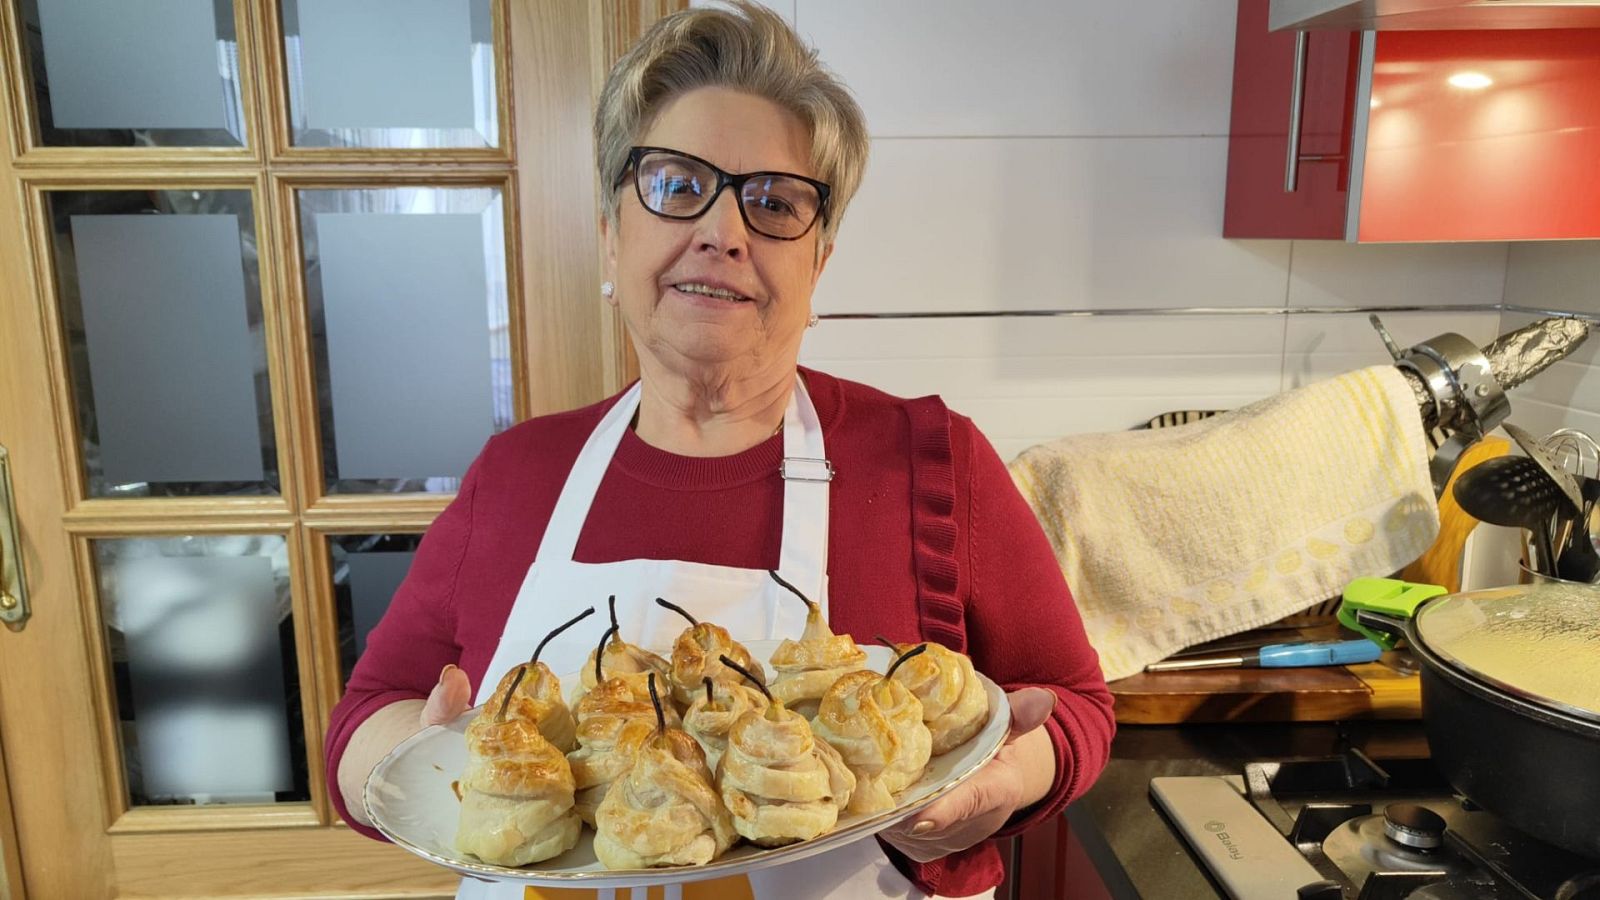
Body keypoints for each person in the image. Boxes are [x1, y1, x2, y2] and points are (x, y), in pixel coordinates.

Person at [325, 4, 1115, 898]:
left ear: (817, 261)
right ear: (609, 234)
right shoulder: (518, 476)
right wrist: (431, 764)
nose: (724, 231)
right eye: (674, 183)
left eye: (775, 202)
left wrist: (998, 789)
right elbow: (362, 723)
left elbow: (1076, 707)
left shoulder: (934, 462)